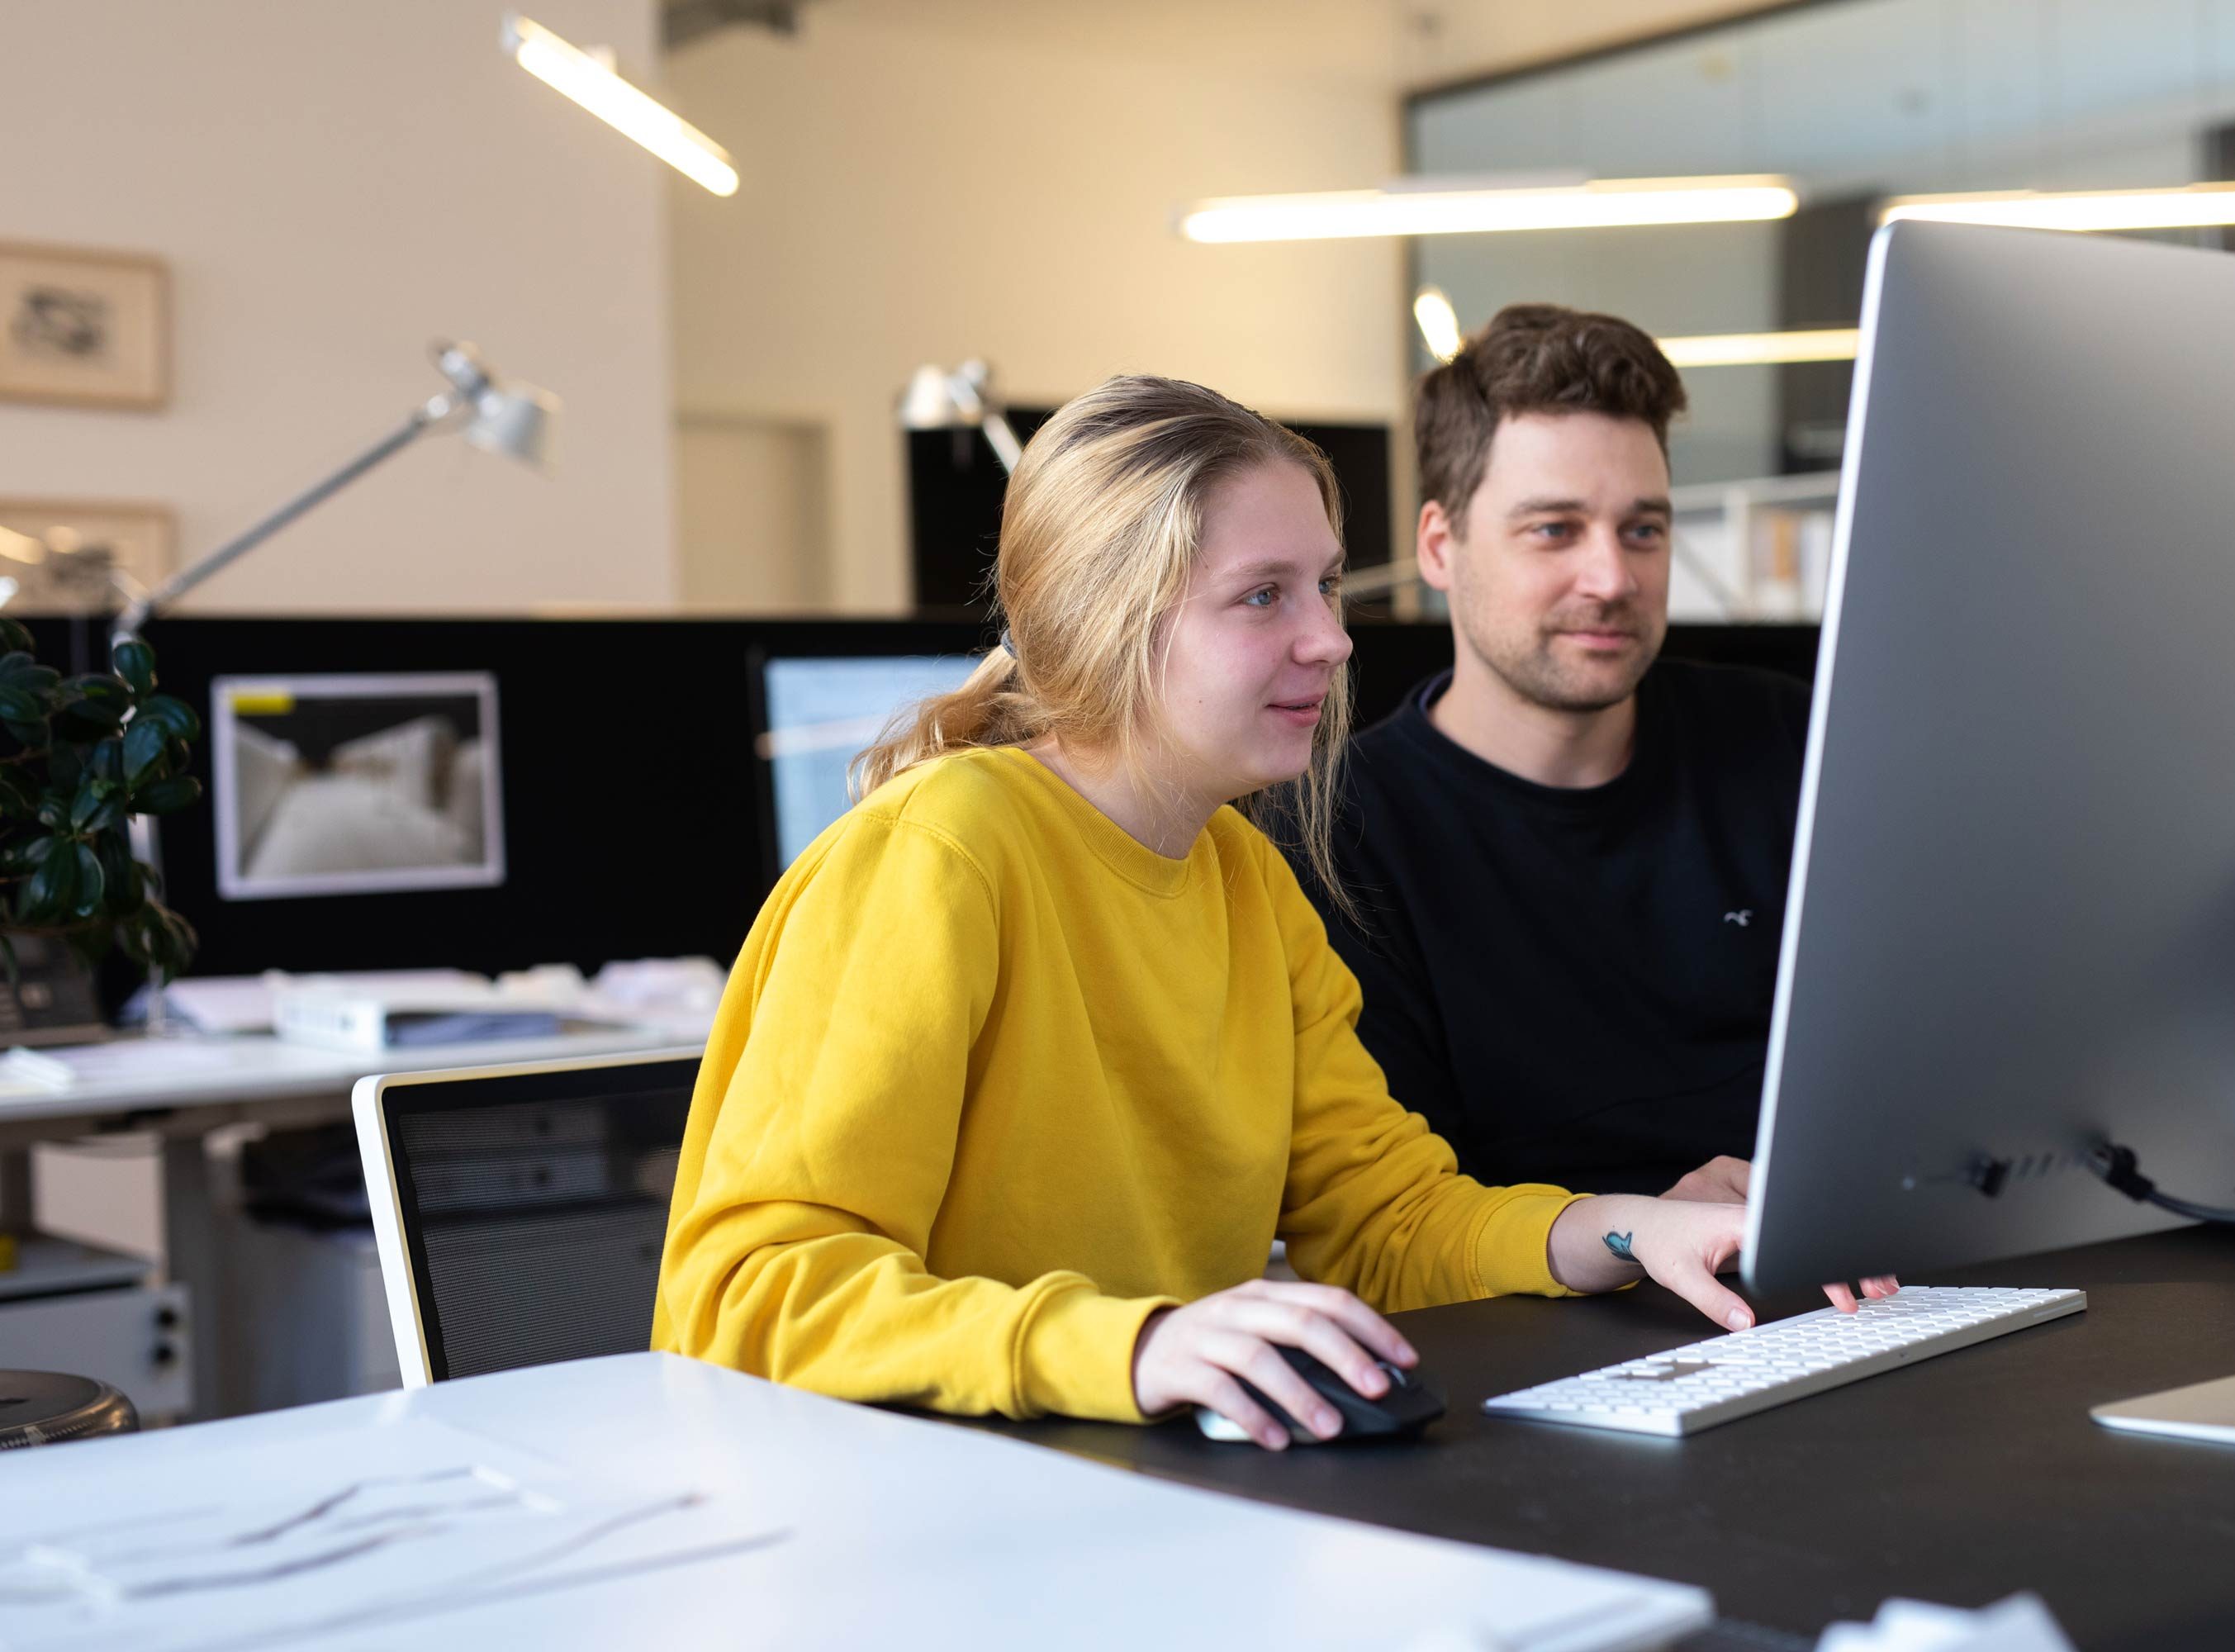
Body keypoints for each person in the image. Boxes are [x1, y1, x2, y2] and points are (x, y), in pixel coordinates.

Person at [654, 375, 1891, 1453]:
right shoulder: (943, 854)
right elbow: (748, 1293)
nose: (1330, 642)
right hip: (922, 1508)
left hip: (1131, 1478)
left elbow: (1388, 1218)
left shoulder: (1246, 876)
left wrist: (1634, 1229)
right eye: (1262, 598)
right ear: (1110, 618)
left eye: (1325, 587)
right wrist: (1131, 1349)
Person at [1288, 304, 1809, 1201]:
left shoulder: (1789, 745)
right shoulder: (1337, 839)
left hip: (1855, 1282)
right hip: (1546, 1322)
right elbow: (1400, 1224)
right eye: (1554, 529)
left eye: (1643, 529)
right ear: (1441, 547)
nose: (1612, 578)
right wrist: (1635, 1229)